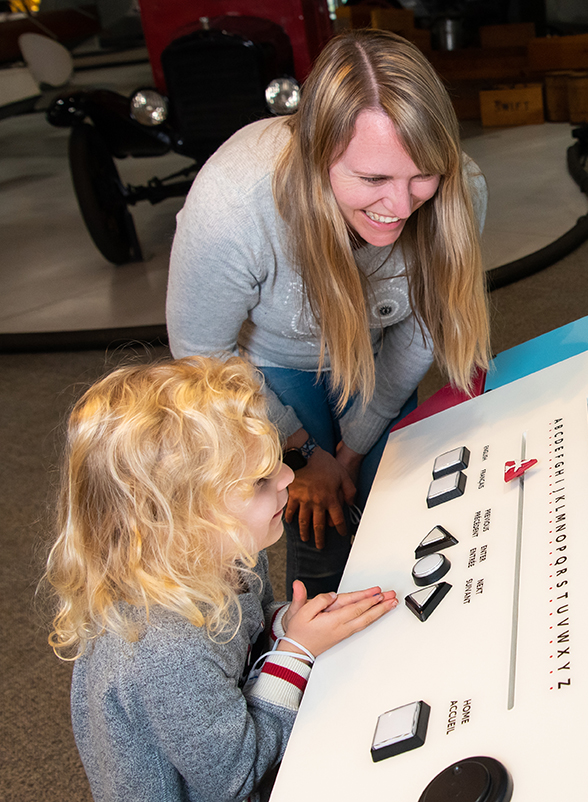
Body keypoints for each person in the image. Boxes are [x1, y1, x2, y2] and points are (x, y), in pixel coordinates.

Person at [166, 29, 491, 597]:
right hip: (265, 369)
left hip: (378, 351)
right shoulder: (234, 202)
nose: (400, 206)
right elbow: (200, 359)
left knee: (398, 500)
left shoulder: (462, 191)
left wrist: (353, 448)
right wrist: (303, 454)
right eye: (373, 179)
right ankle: (306, 649)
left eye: (422, 175)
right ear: (320, 158)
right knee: (317, 521)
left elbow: (421, 329)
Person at [43, 357, 398, 801]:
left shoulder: (232, 554)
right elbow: (237, 776)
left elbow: (242, 633)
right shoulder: (164, 650)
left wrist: (285, 623)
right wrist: (297, 651)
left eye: (279, 460)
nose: (289, 476)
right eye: (258, 481)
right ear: (182, 521)